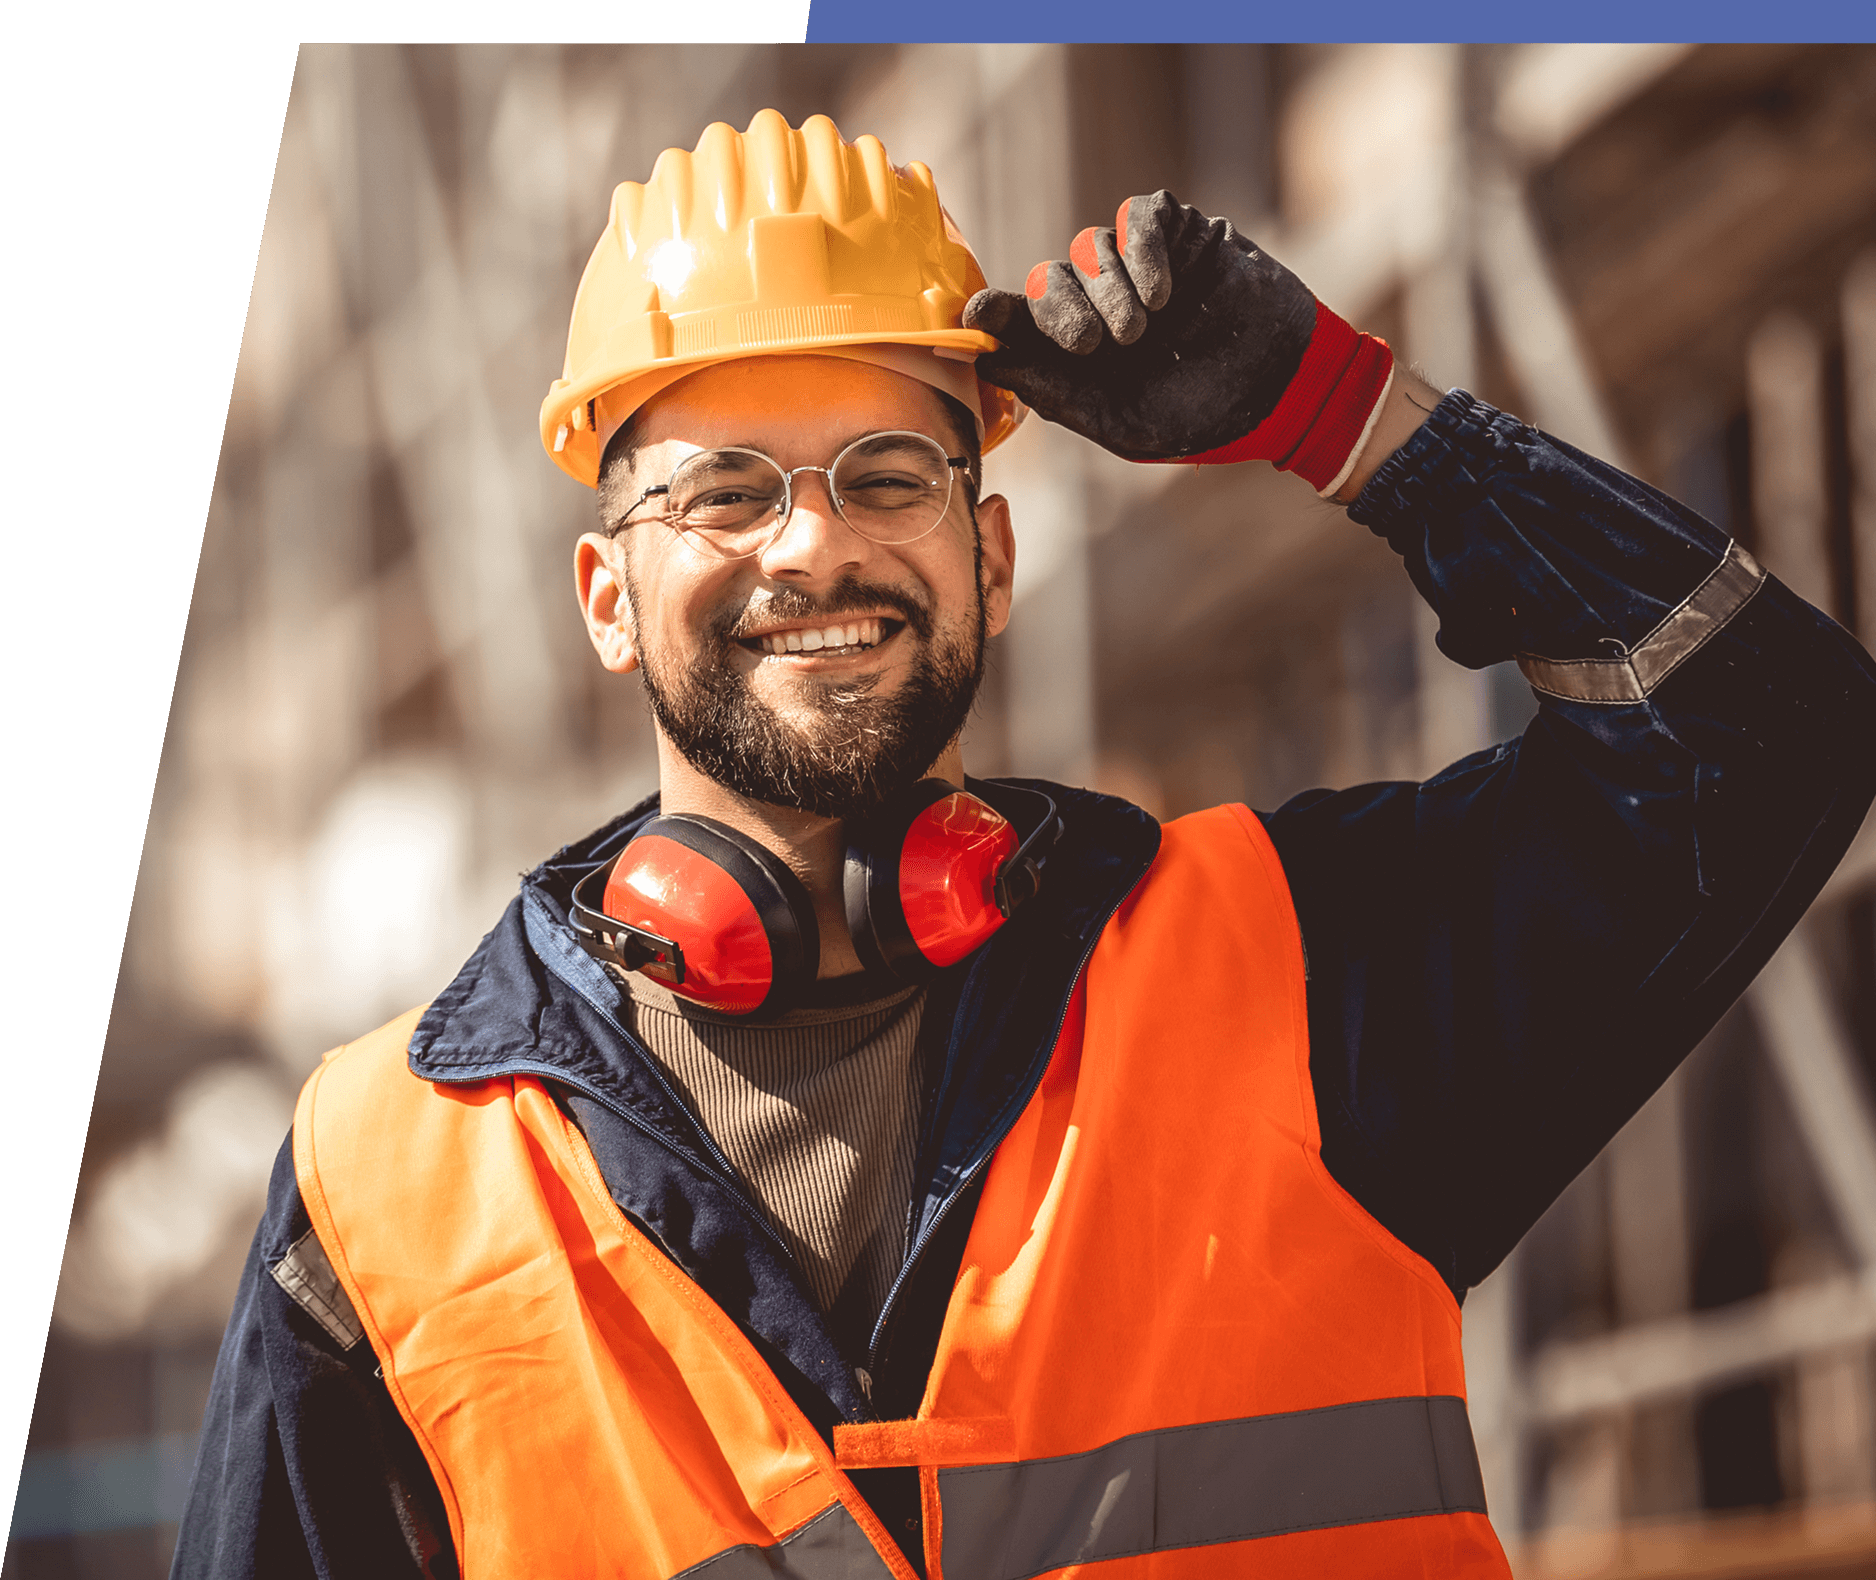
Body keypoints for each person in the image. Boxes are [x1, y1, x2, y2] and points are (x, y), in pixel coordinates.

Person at [173, 110, 1876, 1580]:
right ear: (608, 594)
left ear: (990, 556)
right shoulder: (381, 1191)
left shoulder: (1297, 978)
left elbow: (1766, 734)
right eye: (723, 490)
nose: (813, 546)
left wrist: (1344, 411)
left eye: (886, 474)